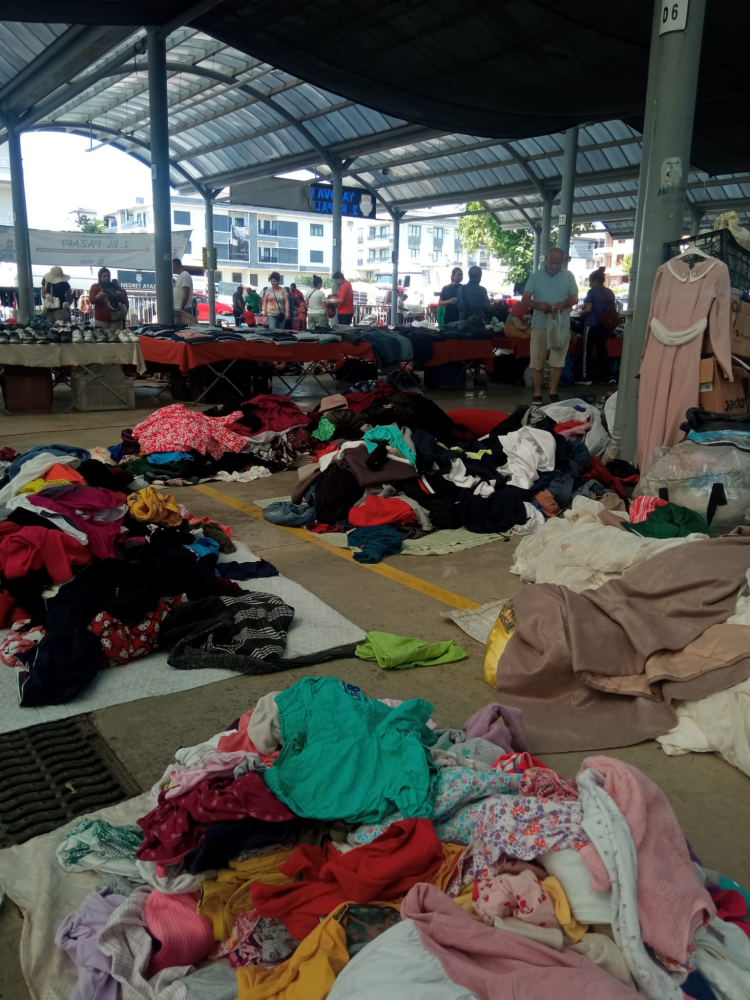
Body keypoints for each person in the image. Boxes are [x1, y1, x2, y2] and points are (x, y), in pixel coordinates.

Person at [521, 247, 579, 404]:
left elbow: (575, 298)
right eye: (551, 262)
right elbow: (525, 299)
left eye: (557, 263)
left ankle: (553, 391)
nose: (553, 266)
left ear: (562, 262)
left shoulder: (568, 276)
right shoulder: (536, 276)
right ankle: (537, 393)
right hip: (540, 324)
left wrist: (564, 304)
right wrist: (539, 306)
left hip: (561, 324)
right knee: (537, 360)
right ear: (546, 259)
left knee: (557, 360)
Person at [577, 266, 616, 384]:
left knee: (586, 351)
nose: (589, 284)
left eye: (590, 281)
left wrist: (581, 313)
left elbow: (588, 309)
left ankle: (586, 377)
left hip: (591, 324)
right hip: (604, 326)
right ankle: (606, 377)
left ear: (595, 280)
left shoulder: (592, 292)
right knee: (602, 350)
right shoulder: (609, 292)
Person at [89, 267, 129, 336]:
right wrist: (99, 296)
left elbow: (125, 300)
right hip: (101, 319)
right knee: (102, 339)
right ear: (100, 277)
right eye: (104, 276)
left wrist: (119, 296)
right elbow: (91, 300)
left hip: (116, 319)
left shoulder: (115, 287)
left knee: (117, 338)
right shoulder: (95, 287)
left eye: (108, 276)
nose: (106, 278)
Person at [173, 258, 194, 325]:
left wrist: (182, 307)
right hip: (179, 308)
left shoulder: (185, 275)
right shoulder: (180, 276)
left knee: (184, 328)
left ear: (175, 266)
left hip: (183, 309)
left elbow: (186, 292)